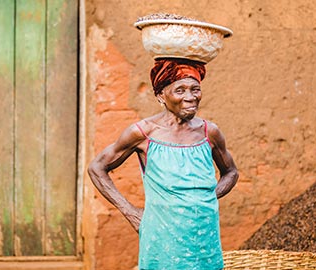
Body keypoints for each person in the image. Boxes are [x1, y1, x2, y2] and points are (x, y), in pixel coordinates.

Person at [88, 58, 239, 270]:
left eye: (195, 89)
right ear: (161, 95)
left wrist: (204, 198)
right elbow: (97, 168)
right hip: (161, 239)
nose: (190, 97)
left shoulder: (209, 132)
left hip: (205, 238)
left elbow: (231, 172)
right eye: (180, 90)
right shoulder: (143, 133)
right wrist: (130, 211)